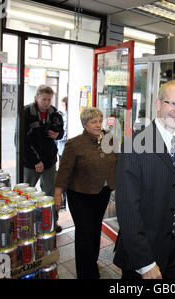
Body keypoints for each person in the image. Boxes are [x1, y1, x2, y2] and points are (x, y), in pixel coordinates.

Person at [114, 79, 175, 279]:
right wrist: (145, 263)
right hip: (146, 252)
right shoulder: (134, 147)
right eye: (173, 103)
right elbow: (127, 210)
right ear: (158, 104)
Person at [54, 107, 117, 279]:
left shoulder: (109, 140)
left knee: (95, 229)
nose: (98, 125)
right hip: (80, 195)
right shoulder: (75, 144)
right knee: (85, 234)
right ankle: (87, 274)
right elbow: (64, 172)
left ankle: (92, 260)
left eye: (99, 120)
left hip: (102, 193)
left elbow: (118, 161)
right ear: (85, 124)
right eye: (93, 122)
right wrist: (58, 194)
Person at [24, 85, 64, 233]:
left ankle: (52, 222)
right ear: (37, 98)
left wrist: (57, 135)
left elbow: (61, 131)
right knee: (26, 194)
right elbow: (22, 142)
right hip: (30, 163)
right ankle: (25, 224)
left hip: (49, 162)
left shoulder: (54, 113)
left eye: (49, 99)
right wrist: (35, 161)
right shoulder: (26, 113)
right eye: (43, 99)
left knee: (50, 193)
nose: (46, 103)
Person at [56, 96, 68, 209]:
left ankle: (62, 201)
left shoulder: (66, 118)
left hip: (63, 150)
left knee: (63, 174)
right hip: (61, 150)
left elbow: (63, 135)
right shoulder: (63, 116)